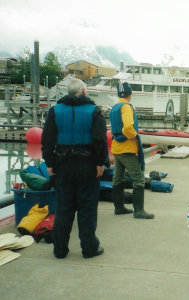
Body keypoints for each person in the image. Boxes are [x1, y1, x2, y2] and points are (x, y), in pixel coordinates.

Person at [41, 78, 108, 259]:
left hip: (63, 167)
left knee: (64, 209)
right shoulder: (94, 112)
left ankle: (60, 249)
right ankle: (89, 248)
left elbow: (47, 140)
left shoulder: (55, 111)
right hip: (88, 168)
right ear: (84, 91)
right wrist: (100, 163)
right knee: (87, 210)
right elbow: (100, 140)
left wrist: (49, 163)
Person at [109, 82, 154, 219]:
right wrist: (134, 135)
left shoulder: (114, 107)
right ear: (130, 94)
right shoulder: (126, 107)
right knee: (138, 179)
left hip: (116, 148)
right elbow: (128, 127)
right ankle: (139, 210)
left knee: (118, 178)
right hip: (127, 149)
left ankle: (119, 207)